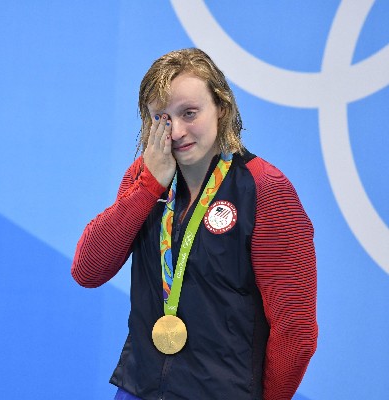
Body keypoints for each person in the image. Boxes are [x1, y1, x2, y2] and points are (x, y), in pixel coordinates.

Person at [71, 48, 317, 400]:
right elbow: (87, 271)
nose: (177, 132)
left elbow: (296, 329)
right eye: (162, 118)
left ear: (222, 107)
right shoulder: (144, 179)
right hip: (138, 389)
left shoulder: (265, 189)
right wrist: (148, 188)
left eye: (189, 113)